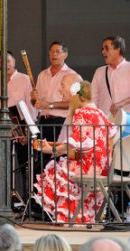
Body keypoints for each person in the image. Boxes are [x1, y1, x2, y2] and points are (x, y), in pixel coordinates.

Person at [34, 81, 116, 223]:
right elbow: (107, 137)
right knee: (63, 165)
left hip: (88, 167)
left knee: (54, 171)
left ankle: (70, 215)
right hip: (103, 167)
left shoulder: (80, 112)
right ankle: (80, 214)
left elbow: (75, 142)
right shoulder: (100, 113)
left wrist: (51, 149)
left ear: (78, 97)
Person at [0, 51, 35, 202]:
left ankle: (28, 199)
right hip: (2, 128)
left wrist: (28, 130)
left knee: (24, 164)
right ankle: (7, 201)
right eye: (1, 62)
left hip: (22, 126)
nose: (5, 64)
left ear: (14, 61)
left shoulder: (24, 79)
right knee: (4, 165)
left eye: (8, 61)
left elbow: (30, 106)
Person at [32, 41, 76, 146]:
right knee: (44, 159)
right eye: (51, 52)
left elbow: (75, 103)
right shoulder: (42, 75)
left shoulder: (72, 75)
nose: (54, 54)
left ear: (65, 54)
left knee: (59, 157)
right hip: (43, 122)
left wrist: (51, 105)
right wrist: (33, 99)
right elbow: (36, 103)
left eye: (57, 51)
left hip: (61, 122)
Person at [92, 35, 130, 116]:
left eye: (106, 48)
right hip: (104, 123)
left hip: (126, 123)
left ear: (118, 50)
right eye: (102, 49)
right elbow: (93, 99)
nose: (103, 52)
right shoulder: (99, 72)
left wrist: (121, 103)